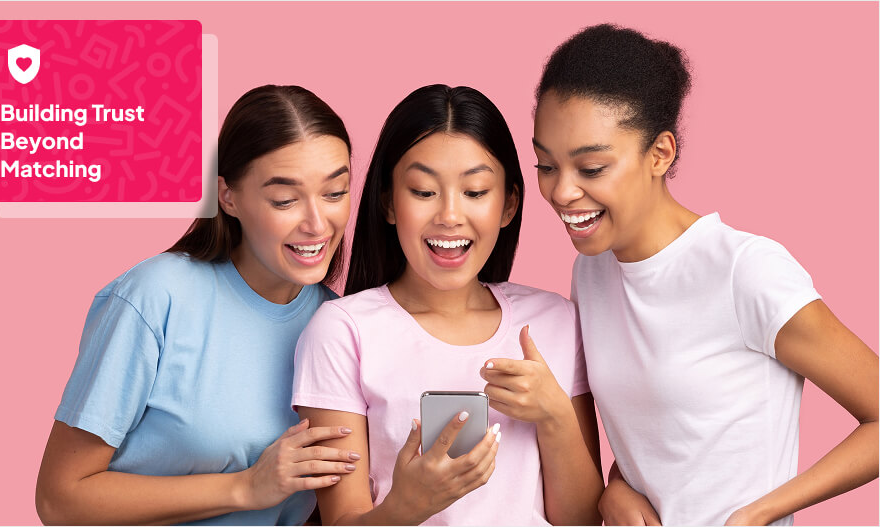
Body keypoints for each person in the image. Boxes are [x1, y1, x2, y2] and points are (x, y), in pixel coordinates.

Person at [532, 24, 878, 526]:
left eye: (591, 169)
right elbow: (660, 439)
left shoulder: (745, 272)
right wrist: (617, 487)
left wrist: (759, 514)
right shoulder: (590, 272)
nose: (562, 192)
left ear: (660, 154)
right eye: (546, 165)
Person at [35, 85, 361, 525]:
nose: (318, 223)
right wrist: (245, 487)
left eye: (335, 192)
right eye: (285, 199)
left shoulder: (339, 325)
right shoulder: (155, 297)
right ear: (227, 196)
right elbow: (59, 500)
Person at [292, 84, 604, 526]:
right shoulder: (343, 330)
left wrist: (555, 417)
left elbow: (582, 521)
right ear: (388, 202)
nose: (450, 215)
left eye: (475, 191)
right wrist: (408, 506)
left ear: (509, 204)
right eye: (423, 191)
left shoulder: (554, 321)